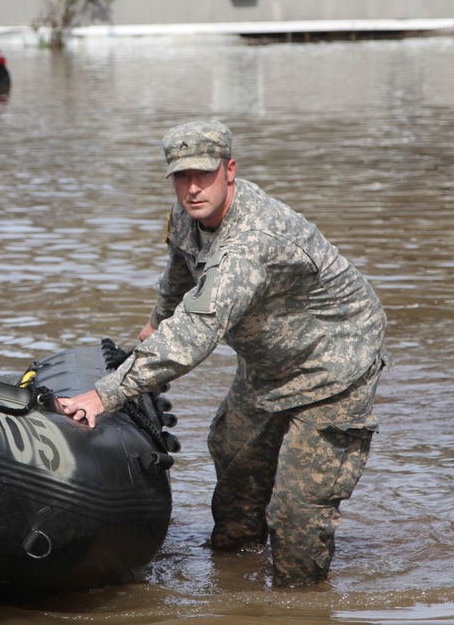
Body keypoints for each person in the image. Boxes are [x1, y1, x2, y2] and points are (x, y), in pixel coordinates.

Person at [57, 119, 388, 587]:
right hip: (269, 356)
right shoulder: (188, 216)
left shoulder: (250, 243)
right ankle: (234, 576)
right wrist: (158, 320)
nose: (192, 189)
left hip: (334, 366)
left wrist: (105, 395)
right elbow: (179, 266)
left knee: (296, 515)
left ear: (230, 170)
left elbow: (197, 332)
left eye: (204, 175)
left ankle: (298, 606)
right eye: (181, 176)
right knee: (232, 459)